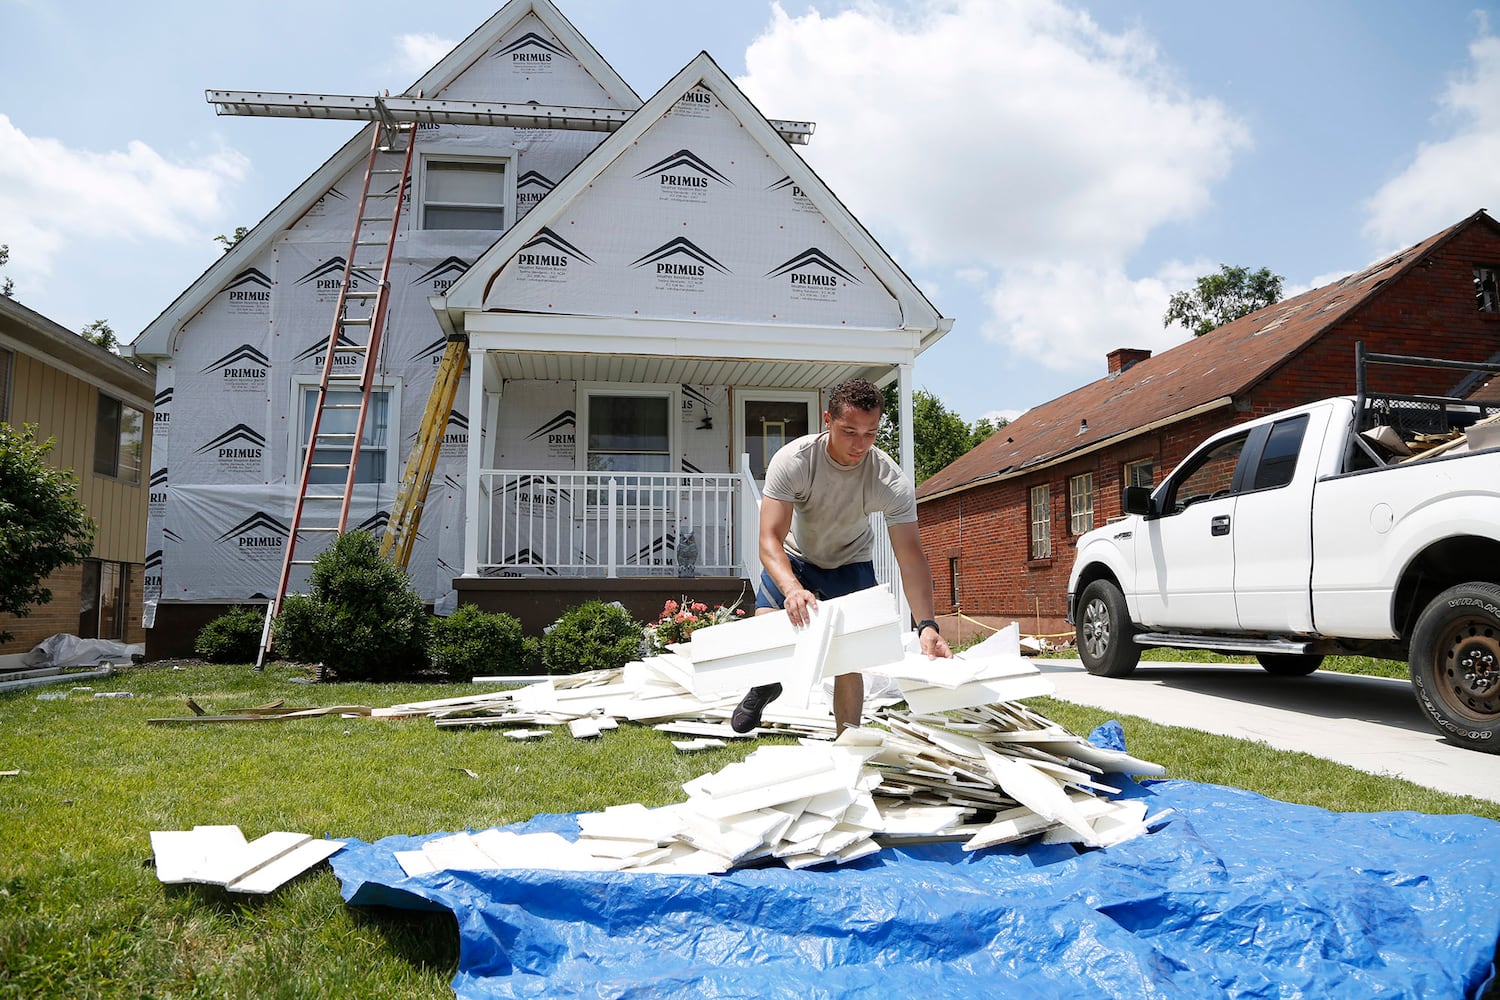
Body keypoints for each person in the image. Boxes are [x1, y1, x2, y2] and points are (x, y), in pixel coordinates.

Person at [731, 378, 953, 734]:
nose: (859, 444)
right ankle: (767, 683)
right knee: (768, 626)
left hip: (851, 562)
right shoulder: (794, 460)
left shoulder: (889, 480)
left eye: (870, 433)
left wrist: (927, 625)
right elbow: (769, 538)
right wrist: (791, 588)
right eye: (849, 431)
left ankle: (847, 742)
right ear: (827, 421)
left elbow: (911, 557)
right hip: (798, 557)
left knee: (850, 659)